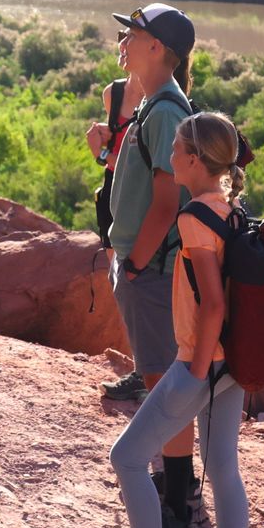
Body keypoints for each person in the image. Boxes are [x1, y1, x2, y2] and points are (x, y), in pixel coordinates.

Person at [92, 112, 251, 528]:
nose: (170, 157)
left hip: (201, 362)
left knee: (128, 458)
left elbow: (213, 305)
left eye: (177, 148)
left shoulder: (193, 218)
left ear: (195, 159)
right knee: (223, 466)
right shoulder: (228, 209)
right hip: (233, 364)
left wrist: (196, 370)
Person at [103, 4, 200, 528]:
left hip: (155, 270)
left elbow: (166, 201)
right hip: (150, 266)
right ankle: (173, 486)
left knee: (166, 386)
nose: (123, 41)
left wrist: (135, 262)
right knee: (162, 380)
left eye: (132, 35)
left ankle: (178, 511)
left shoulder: (164, 110)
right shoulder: (155, 106)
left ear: (158, 49)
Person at [88, 66, 148, 401]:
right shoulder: (113, 94)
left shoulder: (165, 95)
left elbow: (136, 163)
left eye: (129, 39)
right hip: (114, 194)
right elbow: (116, 159)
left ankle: (150, 372)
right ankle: (143, 370)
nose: (123, 46)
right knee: (121, 283)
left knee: (141, 283)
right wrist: (105, 150)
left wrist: (103, 153)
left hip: (140, 198)